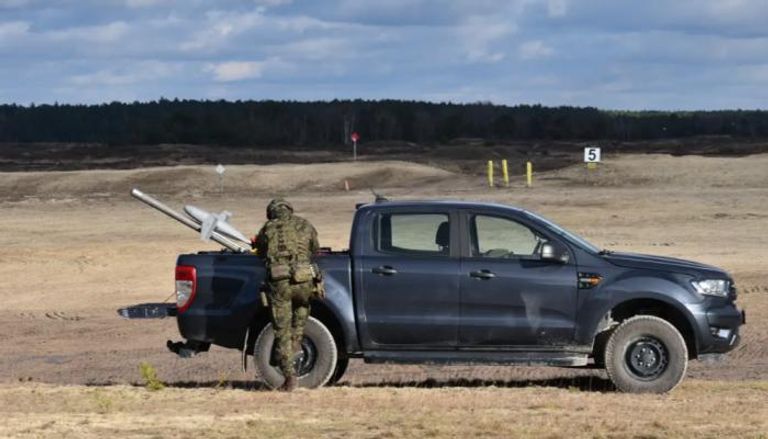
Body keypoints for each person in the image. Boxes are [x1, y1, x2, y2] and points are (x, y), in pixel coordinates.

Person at [252, 198, 323, 391]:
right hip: (304, 281)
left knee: (281, 330)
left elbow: (259, 251)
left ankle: (290, 377)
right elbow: (315, 248)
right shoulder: (305, 224)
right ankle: (297, 343)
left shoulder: (268, 228)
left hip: (280, 284)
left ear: (272, 212)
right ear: (290, 210)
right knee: (300, 315)